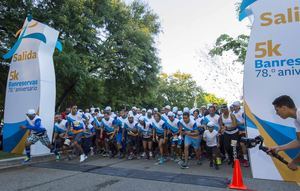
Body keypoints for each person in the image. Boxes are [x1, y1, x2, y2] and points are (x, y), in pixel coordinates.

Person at [270, 95, 300, 171]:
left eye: (277, 110)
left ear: (284, 108)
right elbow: (299, 141)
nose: (277, 113)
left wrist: (294, 162)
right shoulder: (297, 121)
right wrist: (279, 148)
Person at [232, 101, 249, 167]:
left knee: (242, 144)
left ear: (239, 106)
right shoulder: (233, 113)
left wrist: (237, 123)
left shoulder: (242, 112)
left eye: (235, 106)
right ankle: (236, 158)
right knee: (234, 144)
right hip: (235, 131)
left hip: (243, 131)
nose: (234, 107)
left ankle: (246, 160)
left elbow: (246, 122)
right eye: (233, 106)